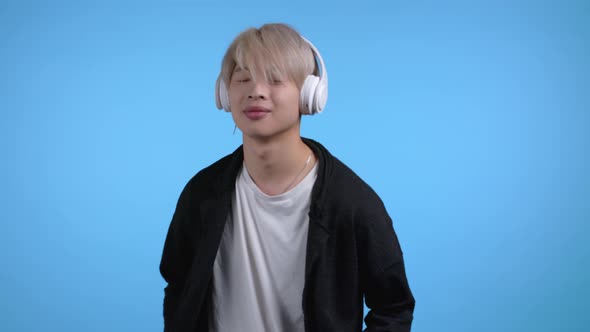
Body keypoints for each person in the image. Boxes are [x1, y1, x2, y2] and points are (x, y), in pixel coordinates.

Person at [159, 23, 415, 332]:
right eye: (242, 79)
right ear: (225, 94)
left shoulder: (352, 202)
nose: (255, 90)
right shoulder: (201, 193)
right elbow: (178, 286)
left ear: (309, 95)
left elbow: (393, 307)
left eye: (275, 79)